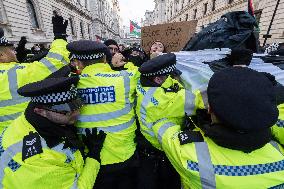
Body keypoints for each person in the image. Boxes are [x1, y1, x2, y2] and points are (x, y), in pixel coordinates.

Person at [151, 67, 284, 188]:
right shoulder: (279, 151)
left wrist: (193, 100)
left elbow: (161, 124)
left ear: (209, 109)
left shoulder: (191, 156)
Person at [0, 74, 106, 188]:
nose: (77, 113)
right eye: (65, 111)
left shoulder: (26, 120)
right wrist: (93, 157)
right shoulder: (41, 162)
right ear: (40, 111)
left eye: (77, 105)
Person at [67, 40, 140, 189]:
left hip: (91, 158)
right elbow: (144, 71)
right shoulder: (126, 78)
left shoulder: (70, 84)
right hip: (124, 155)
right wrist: (123, 64)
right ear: (105, 59)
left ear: (79, 63)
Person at [136, 53, 206, 189]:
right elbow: (202, 99)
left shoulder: (144, 82)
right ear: (157, 79)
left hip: (148, 150)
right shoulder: (165, 101)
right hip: (162, 153)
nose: (174, 78)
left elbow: (170, 83)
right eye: (170, 75)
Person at [0, 13, 70, 133]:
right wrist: (60, 38)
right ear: (1, 55)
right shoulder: (17, 73)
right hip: (25, 136)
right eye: (11, 50)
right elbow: (57, 61)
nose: (15, 52)